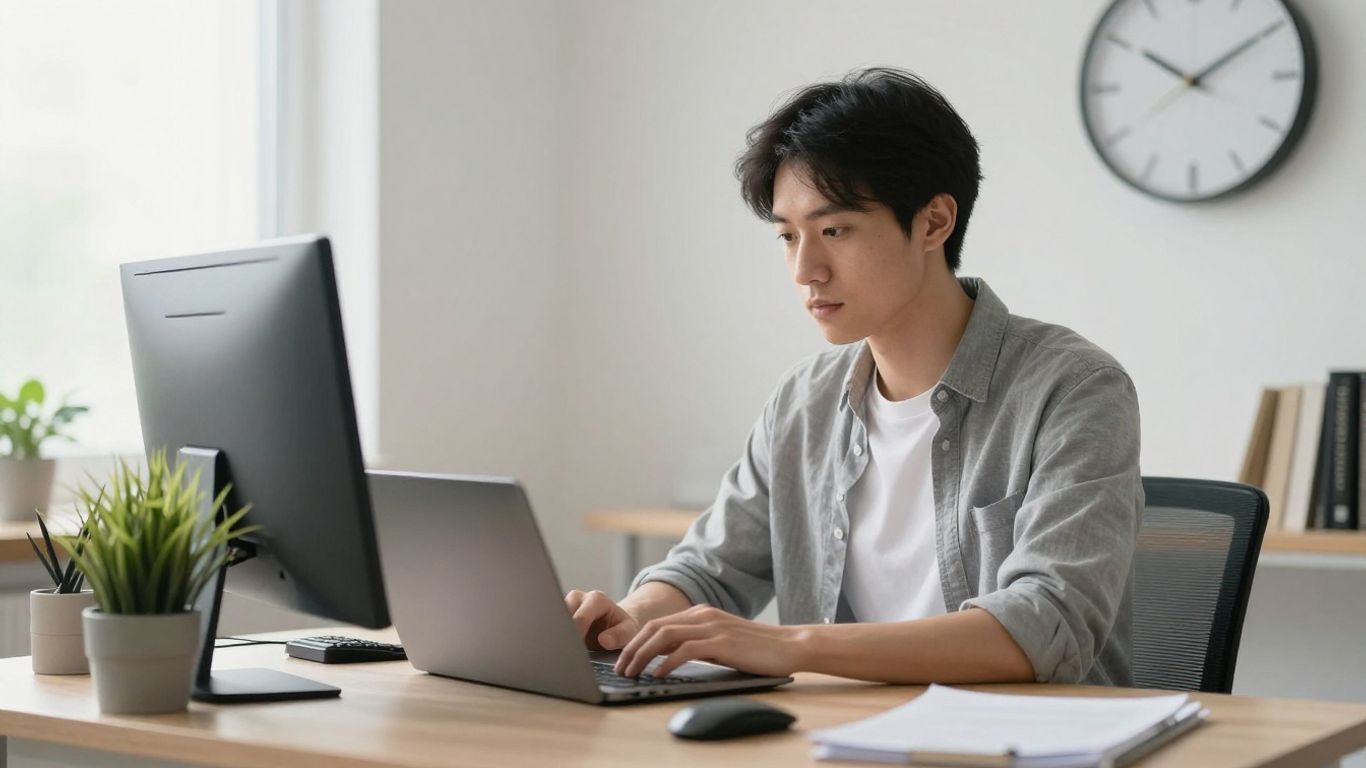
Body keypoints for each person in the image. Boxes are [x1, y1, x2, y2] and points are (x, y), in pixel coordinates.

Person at [564, 67, 1142, 686]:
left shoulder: (1074, 388)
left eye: (834, 230)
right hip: (839, 738)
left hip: (1025, 743)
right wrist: (629, 618)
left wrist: (792, 645)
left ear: (933, 223)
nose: (805, 269)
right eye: (788, 236)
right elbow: (709, 571)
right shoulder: (804, 401)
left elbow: (1044, 625)